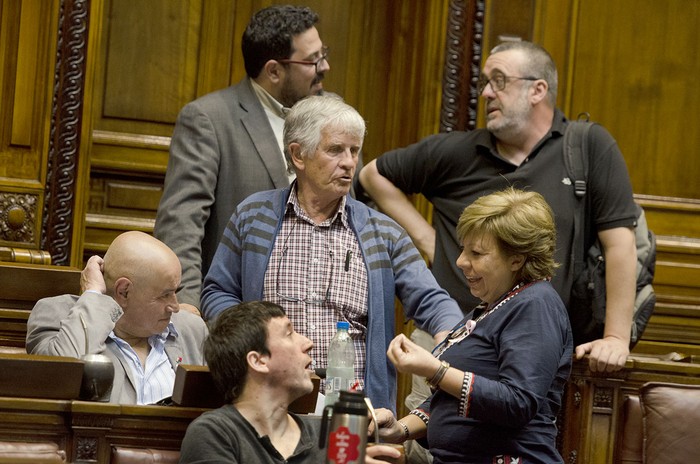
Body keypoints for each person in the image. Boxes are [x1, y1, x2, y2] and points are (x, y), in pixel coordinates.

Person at [358, 40, 637, 373]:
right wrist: (430, 241)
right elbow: (373, 175)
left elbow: (620, 243)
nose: (486, 93)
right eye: (485, 83)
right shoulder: (458, 152)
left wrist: (616, 337)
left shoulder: (586, 148)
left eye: (499, 81)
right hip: (452, 338)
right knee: (432, 426)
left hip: (538, 348)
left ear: (538, 90)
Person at [200, 95, 463, 410]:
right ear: (299, 155)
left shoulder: (383, 233)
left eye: (354, 150)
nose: (350, 162)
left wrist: (450, 334)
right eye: (336, 149)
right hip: (264, 400)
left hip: (352, 409)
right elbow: (217, 292)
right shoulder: (253, 216)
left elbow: (433, 302)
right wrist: (250, 339)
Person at [371, 188, 573, 463]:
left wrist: (435, 369)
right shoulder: (491, 306)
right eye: (463, 249)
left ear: (517, 258)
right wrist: (401, 429)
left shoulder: (536, 304)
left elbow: (518, 402)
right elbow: (454, 401)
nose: (461, 261)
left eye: (476, 253)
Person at [154, 5, 331, 315]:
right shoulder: (210, 119)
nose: (325, 66)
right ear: (274, 71)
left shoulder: (333, 114)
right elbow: (182, 223)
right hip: (240, 313)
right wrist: (187, 309)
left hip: (321, 312)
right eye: (313, 60)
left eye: (323, 53)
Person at [179, 301, 403, 463]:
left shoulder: (327, 435)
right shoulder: (214, 433)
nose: (308, 343)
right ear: (258, 361)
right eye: (289, 334)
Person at [25, 231, 208, 405]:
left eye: (175, 292)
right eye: (165, 295)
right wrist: (94, 294)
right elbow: (62, 379)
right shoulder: (57, 316)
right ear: (124, 291)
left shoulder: (191, 330)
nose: (175, 306)